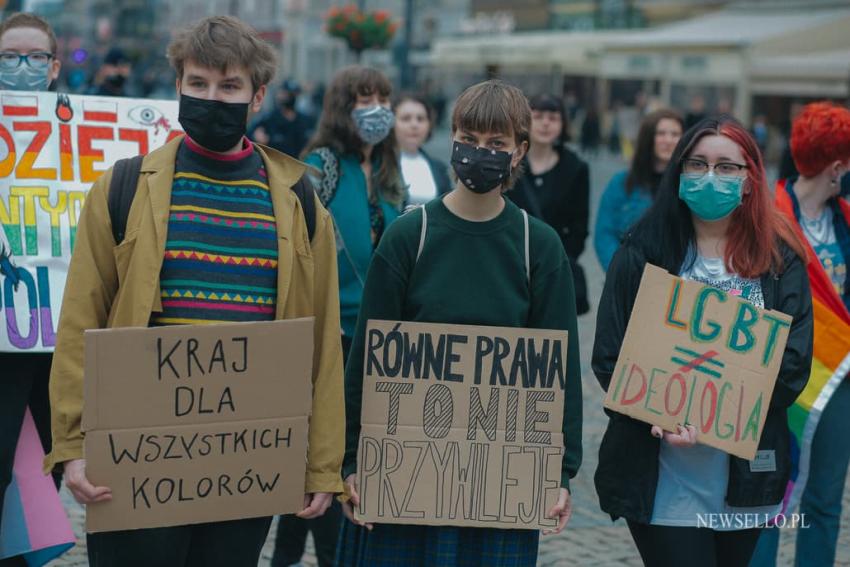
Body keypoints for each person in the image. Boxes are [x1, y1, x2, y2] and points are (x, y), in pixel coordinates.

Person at [45, 16, 344, 566]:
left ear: (257, 96)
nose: (212, 98)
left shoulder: (299, 201)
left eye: (229, 87)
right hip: (137, 456)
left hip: (247, 458)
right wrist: (72, 444)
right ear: (177, 86)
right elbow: (80, 324)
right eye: (199, 84)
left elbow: (323, 341)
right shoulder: (122, 187)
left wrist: (321, 462)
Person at [337, 79, 583, 567]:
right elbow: (368, 355)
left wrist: (559, 472)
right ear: (451, 138)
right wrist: (351, 460)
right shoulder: (409, 237)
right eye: (469, 139)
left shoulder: (541, 246)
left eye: (496, 144)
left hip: (499, 480)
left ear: (520, 152)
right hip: (404, 472)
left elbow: (560, 369)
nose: (479, 153)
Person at [592, 115, 813, 567]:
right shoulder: (642, 251)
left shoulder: (779, 261)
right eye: (697, 164)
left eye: (727, 167)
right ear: (679, 173)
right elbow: (611, 355)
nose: (711, 176)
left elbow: (792, 363)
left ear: (750, 180)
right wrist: (662, 411)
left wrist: (719, 417)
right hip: (661, 478)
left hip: (745, 481)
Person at [269, 65, 405, 567]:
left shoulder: (391, 170)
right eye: (363, 98)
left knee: (356, 454)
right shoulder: (321, 163)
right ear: (342, 108)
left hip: (382, 337)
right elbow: (296, 239)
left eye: (382, 98)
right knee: (322, 451)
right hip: (332, 332)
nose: (376, 109)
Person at [750, 102, 850, 567]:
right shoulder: (767, 213)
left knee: (825, 500)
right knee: (767, 496)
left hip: (836, 380)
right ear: (836, 166)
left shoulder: (846, 220)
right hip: (773, 374)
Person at [0, 11, 61, 547]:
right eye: (9, 57)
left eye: (35, 57)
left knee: (46, 465)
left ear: (54, 66)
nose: (22, 67)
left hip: (57, 339)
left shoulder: (76, 128)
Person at [508, 93, 590, 315]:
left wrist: (559, 259)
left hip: (555, 267)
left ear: (563, 123)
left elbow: (579, 226)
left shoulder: (576, 168)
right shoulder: (510, 162)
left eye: (553, 117)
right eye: (538, 116)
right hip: (510, 266)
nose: (545, 123)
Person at [594, 109, 683, 271]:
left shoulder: (690, 184)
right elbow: (604, 233)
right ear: (648, 138)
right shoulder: (622, 182)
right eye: (661, 133)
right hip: (629, 275)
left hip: (676, 280)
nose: (668, 140)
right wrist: (620, 271)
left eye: (675, 134)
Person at [392, 92, 451, 205]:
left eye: (420, 119)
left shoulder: (439, 168)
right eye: (406, 118)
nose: (414, 124)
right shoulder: (378, 165)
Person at [249, 79, 312, 158]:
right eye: (285, 94)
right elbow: (251, 135)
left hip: (298, 165)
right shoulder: (269, 118)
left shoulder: (304, 119)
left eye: (292, 94)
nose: (288, 97)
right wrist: (257, 137)